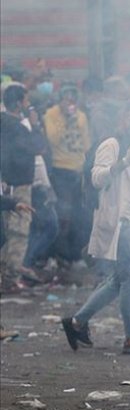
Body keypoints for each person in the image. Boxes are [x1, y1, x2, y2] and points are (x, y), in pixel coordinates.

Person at [61, 100, 130, 355]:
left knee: (118, 279)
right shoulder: (112, 145)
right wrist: (124, 161)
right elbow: (97, 178)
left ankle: (76, 322)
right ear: (124, 119)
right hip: (117, 221)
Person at [44, 82, 91, 264]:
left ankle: (75, 255)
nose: (70, 102)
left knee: (78, 215)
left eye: (73, 99)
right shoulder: (51, 114)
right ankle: (58, 255)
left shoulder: (81, 116)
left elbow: (86, 143)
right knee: (63, 214)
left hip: (78, 170)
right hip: (60, 170)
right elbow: (53, 139)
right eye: (66, 98)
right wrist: (66, 120)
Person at [0, 84, 39, 286]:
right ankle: (10, 278)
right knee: (18, 232)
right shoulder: (17, 128)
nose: (28, 104)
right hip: (18, 185)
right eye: (26, 100)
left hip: (7, 184)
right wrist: (35, 126)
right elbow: (38, 147)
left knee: (7, 232)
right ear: (18, 104)